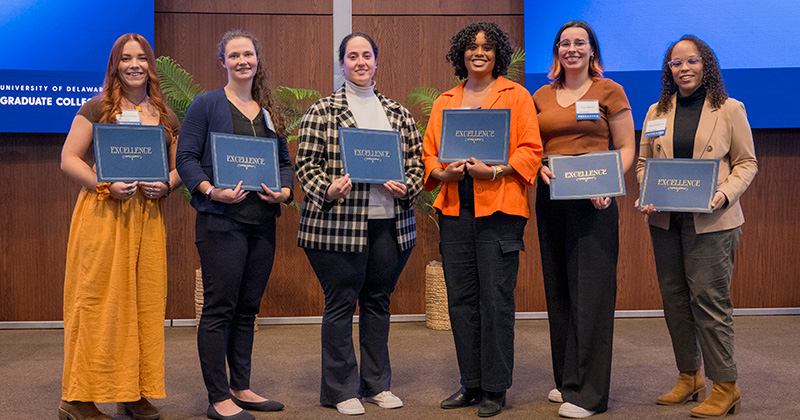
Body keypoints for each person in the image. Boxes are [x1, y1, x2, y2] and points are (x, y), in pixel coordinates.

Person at [295, 32, 424, 416]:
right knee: (340, 304)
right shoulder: (323, 110)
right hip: (337, 225)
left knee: (377, 304)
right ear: (342, 64)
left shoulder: (398, 113)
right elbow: (305, 164)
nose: (360, 62)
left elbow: (417, 163)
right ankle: (340, 390)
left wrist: (407, 187)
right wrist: (328, 188)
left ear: (376, 61)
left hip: (389, 223)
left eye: (366, 55)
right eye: (352, 56)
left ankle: (376, 385)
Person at [422, 22, 542, 418]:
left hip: (501, 209)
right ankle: (470, 383)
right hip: (456, 210)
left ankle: (495, 387)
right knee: (461, 301)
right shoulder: (445, 100)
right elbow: (429, 154)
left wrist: (496, 171)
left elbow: (531, 149)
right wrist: (443, 173)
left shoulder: (517, 95)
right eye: (472, 47)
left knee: (495, 301)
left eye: (487, 47)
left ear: (497, 56)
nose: (479, 52)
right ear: (461, 54)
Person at [59, 33, 181, 420]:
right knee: (98, 306)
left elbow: (181, 167)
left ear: (150, 64)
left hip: (147, 220)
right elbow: (69, 159)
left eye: (141, 58)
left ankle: (133, 392)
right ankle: (77, 398)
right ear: (115, 65)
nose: (134, 65)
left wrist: (167, 184)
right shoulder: (96, 107)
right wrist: (103, 184)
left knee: (142, 306)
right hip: (104, 217)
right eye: (126, 58)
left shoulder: (164, 113)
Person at [636, 35, 757, 418]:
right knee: (674, 300)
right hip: (665, 220)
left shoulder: (729, 108)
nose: (684, 68)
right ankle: (690, 377)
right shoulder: (656, 111)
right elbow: (642, 164)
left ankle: (726, 385)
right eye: (676, 63)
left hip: (713, 221)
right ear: (668, 70)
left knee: (710, 302)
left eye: (691, 61)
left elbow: (747, 163)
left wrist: (723, 195)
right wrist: (647, 191)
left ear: (706, 65)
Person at [176, 29, 292, 420]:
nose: (243, 61)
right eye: (235, 55)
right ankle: (218, 396)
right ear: (222, 61)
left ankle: (241, 386)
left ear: (258, 59)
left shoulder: (269, 111)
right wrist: (211, 191)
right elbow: (186, 159)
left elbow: (285, 166)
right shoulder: (206, 105)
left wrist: (286, 193)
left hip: (262, 223)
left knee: (247, 309)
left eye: (249, 54)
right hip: (220, 222)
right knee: (219, 308)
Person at [532, 21, 635, 418]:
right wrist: (540, 164)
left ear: (593, 51)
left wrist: (610, 184)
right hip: (552, 197)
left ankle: (591, 395)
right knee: (558, 290)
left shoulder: (610, 91)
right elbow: (532, 144)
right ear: (557, 51)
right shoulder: (540, 95)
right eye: (565, 43)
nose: (572, 49)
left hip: (596, 200)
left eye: (580, 43)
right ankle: (568, 379)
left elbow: (626, 146)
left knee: (592, 293)